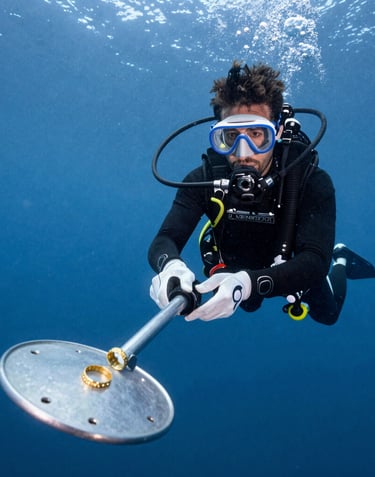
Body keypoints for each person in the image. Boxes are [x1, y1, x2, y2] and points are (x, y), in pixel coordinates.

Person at [148, 61, 375, 325]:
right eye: (230, 136)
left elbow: (314, 261)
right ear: (218, 136)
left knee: (328, 314)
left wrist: (248, 284)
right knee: (249, 306)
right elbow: (165, 239)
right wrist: (170, 266)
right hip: (235, 266)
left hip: (290, 266)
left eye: (257, 135)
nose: (243, 153)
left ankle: (343, 259)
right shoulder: (204, 179)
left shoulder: (310, 180)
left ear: (277, 132)